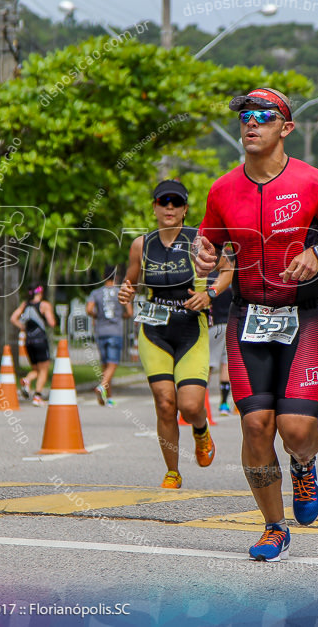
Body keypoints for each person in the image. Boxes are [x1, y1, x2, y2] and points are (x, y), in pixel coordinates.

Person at [193, 87, 318, 562]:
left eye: (264, 116)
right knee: (254, 426)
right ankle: (274, 526)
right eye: (245, 116)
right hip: (246, 318)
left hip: (302, 319)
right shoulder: (223, 189)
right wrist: (203, 255)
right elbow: (209, 250)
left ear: (286, 128)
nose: (251, 123)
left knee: (295, 430)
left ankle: (305, 464)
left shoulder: (315, 183)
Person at [118, 179, 233, 489]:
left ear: (184, 210)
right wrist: (126, 293)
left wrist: (209, 293)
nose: (169, 208)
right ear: (154, 207)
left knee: (191, 405)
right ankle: (172, 471)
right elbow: (131, 281)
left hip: (191, 330)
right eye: (163, 202)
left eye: (176, 203)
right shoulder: (142, 244)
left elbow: (228, 269)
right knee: (165, 403)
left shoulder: (199, 240)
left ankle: (201, 431)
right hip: (153, 330)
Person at [86, 267, 132, 406]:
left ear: (103, 276)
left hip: (101, 330)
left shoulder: (96, 292)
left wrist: (97, 315)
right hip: (115, 331)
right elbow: (129, 312)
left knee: (105, 365)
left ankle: (108, 396)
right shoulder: (120, 292)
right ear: (116, 277)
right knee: (113, 364)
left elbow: (89, 309)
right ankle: (102, 386)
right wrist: (120, 316)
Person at [10, 284, 56, 406]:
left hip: (28, 341)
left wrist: (23, 327)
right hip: (40, 340)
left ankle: (27, 380)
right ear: (40, 293)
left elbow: (13, 318)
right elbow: (52, 322)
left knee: (36, 369)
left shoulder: (25, 305)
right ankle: (37, 396)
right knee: (44, 369)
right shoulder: (44, 305)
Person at [207, 252, 235, 416]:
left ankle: (201, 398)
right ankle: (224, 403)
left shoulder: (212, 279)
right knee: (226, 364)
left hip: (215, 325)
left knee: (209, 364)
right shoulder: (234, 279)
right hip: (231, 325)